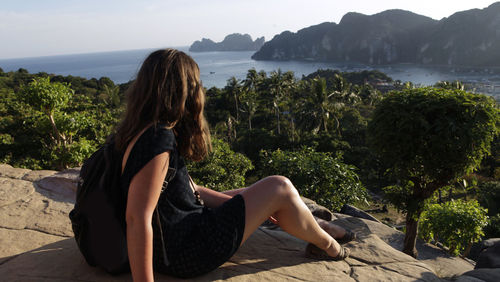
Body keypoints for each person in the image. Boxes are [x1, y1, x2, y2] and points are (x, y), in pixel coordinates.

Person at [114, 49, 355, 281]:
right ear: (182, 90)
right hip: (186, 252)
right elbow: (137, 218)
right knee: (279, 186)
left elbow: (191, 191)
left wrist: (255, 208)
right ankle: (328, 245)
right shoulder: (158, 138)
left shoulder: (139, 130)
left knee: (258, 193)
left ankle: (314, 224)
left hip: (180, 234)